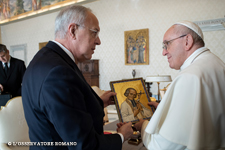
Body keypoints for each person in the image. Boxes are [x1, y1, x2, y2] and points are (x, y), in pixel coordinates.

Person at [22, 5, 133, 150]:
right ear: (73, 31)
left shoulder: (44, 60)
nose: (98, 41)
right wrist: (121, 136)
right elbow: (84, 145)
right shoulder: (58, 72)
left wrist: (97, 102)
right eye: (94, 32)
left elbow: (65, 110)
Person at [131, 21, 225, 149]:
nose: (164, 52)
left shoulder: (189, 76)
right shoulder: (217, 64)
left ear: (187, 41)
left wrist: (143, 125)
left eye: (167, 44)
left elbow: (162, 146)